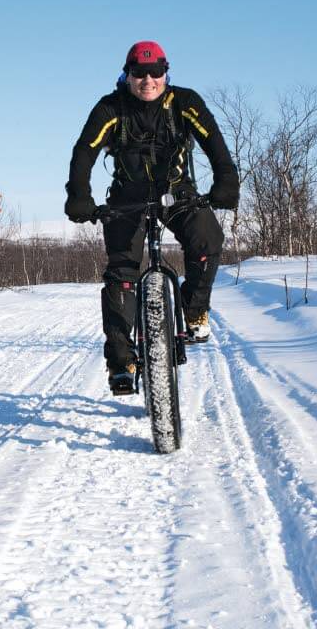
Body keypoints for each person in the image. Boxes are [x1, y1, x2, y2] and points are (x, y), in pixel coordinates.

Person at [64, 41, 239, 395]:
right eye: (139, 73)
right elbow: (85, 151)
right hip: (127, 197)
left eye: (155, 72)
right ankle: (121, 363)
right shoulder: (111, 107)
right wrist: (80, 197)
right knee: (121, 272)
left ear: (166, 72)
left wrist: (226, 182)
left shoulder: (184, 103)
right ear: (127, 75)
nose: (148, 80)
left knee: (207, 239)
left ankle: (194, 311)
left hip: (177, 191)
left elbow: (215, 144)